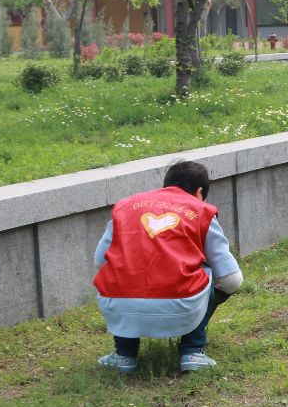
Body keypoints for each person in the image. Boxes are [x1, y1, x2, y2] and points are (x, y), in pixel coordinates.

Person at [92, 159, 243, 374]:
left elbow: (99, 261)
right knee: (208, 271)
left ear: (167, 184)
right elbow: (232, 279)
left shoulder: (125, 207)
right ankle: (192, 351)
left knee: (120, 274)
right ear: (200, 192)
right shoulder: (201, 211)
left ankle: (124, 354)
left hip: (118, 305)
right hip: (182, 304)